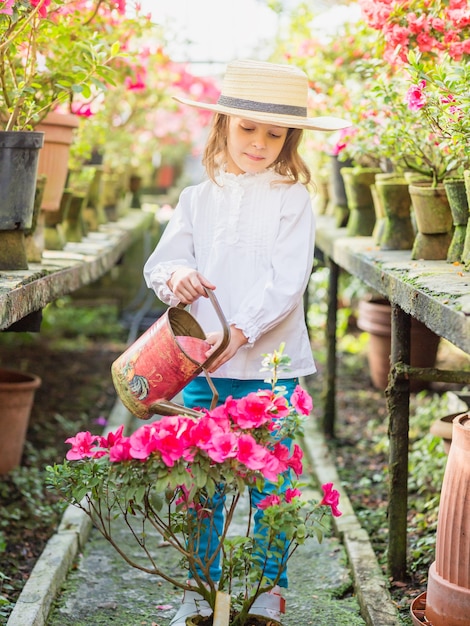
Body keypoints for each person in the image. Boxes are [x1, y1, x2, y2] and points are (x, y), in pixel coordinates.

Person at [143, 58, 350, 625]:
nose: (259, 143)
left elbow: (287, 281)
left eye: (274, 133)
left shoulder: (291, 199)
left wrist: (240, 330)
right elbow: (162, 262)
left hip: (270, 368)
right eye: (247, 129)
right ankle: (199, 586)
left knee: (272, 481)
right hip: (202, 371)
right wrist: (176, 278)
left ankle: (266, 589)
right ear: (222, 126)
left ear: (290, 138)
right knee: (201, 481)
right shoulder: (196, 198)